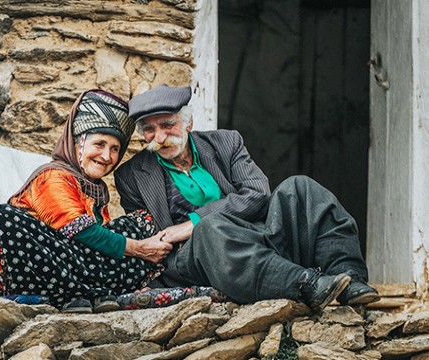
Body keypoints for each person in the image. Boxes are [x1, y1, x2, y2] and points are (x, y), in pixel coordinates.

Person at [114, 84, 380, 311]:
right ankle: (307, 284)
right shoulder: (131, 175)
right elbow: (149, 235)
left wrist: (192, 222)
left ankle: (350, 279)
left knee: (300, 187)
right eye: (149, 129)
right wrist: (197, 228)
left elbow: (257, 193)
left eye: (168, 124)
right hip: (196, 258)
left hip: (255, 234)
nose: (159, 137)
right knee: (209, 229)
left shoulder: (226, 142)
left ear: (188, 122)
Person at [0, 89, 173, 312]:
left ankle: (98, 291)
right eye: (99, 144)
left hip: (72, 268)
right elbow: (82, 232)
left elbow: (98, 246)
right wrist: (140, 248)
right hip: (29, 270)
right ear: (77, 143)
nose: (107, 156)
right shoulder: (52, 177)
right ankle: (96, 291)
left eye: (115, 149)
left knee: (138, 223)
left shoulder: (95, 191)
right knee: (4, 217)